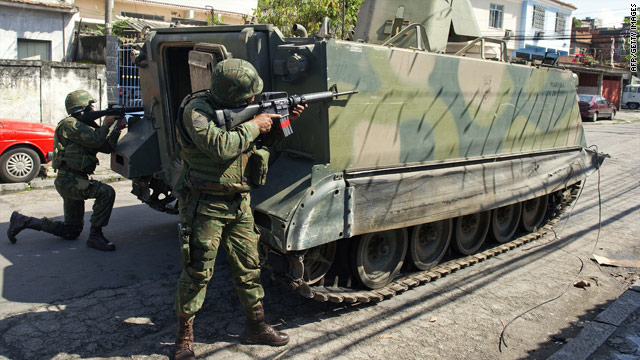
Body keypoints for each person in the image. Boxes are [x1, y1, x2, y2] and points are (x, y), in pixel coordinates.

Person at [173, 58, 306, 360]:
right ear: (232, 96)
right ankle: (183, 337)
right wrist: (254, 124)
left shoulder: (243, 111)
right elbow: (221, 147)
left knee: (249, 266)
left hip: (239, 201)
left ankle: (256, 325)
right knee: (197, 272)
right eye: (247, 97)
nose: (252, 100)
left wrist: (284, 121)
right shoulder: (197, 111)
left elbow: (259, 140)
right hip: (205, 204)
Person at [7, 90, 125, 251]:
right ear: (82, 109)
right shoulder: (70, 124)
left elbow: (105, 147)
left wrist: (117, 128)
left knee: (71, 231)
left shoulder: (84, 127)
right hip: (70, 180)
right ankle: (96, 236)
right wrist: (105, 124)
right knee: (106, 192)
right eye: (90, 106)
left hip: (73, 180)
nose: (93, 109)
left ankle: (24, 221)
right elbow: (96, 140)